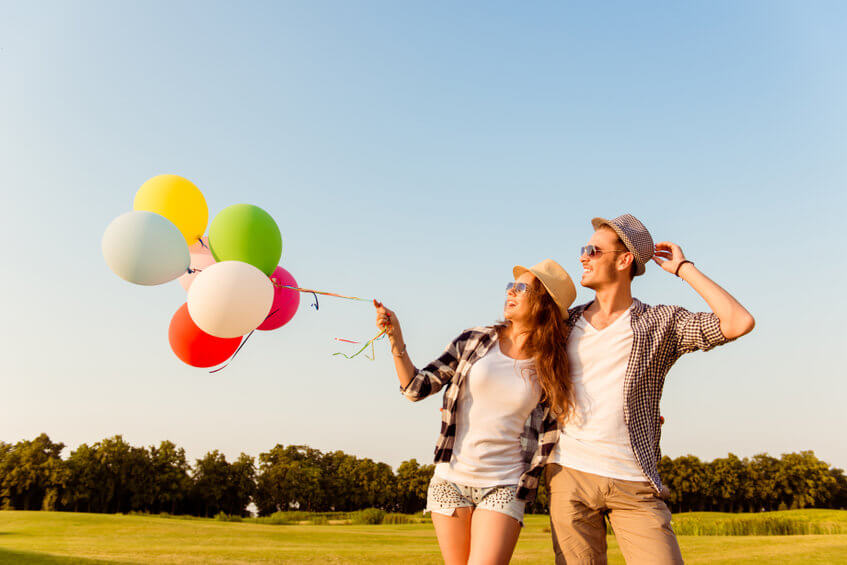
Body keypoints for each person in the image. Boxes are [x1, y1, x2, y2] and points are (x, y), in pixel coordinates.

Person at [547, 214, 755, 564]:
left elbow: (738, 322)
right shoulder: (564, 323)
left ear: (624, 259)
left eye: (593, 250)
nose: (582, 256)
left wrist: (684, 268)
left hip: (634, 479)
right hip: (569, 473)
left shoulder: (661, 322)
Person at [374, 260, 576, 565]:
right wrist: (395, 337)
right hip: (450, 480)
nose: (511, 292)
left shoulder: (552, 366)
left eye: (522, 288)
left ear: (544, 302)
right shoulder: (475, 340)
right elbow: (416, 388)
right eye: (511, 286)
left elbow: (566, 421)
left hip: (505, 484)